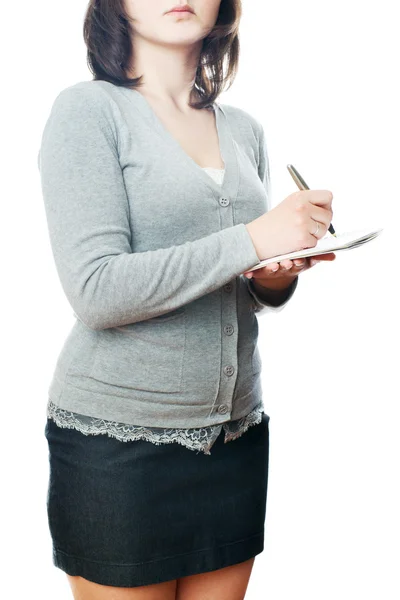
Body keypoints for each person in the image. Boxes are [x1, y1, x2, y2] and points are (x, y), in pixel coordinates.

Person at [39, 1, 335, 598]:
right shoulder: (88, 111)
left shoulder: (245, 128)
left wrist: (276, 272)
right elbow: (96, 289)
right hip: (118, 447)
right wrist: (254, 237)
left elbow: (243, 288)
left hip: (235, 437)